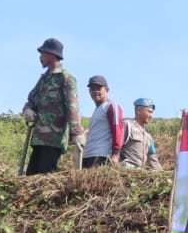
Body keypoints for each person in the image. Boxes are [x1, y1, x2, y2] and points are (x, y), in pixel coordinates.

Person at [22, 38, 82, 175]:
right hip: (38, 138)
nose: (40, 57)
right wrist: (28, 109)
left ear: (52, 55)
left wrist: (76, 133)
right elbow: (32, 99)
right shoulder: (44, 79)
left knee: (45, 176)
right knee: (31, 176)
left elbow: (72, 106)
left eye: (43, 53)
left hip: (54, 138)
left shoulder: (66, 78)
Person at [81, 76, 124, 168]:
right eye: (92, 89)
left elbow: (117, 129)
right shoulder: (97, 110)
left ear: (107, 90)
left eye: (98, 88)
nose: (95, 91)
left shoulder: (111, 106)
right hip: (88, 155)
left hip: (101, 155)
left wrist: (115, 154)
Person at [118, 98, 163, 170]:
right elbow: (117, 146)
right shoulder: (128, 125)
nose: (151, 116)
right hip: (127, 168)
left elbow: (152, 158)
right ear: (138, 110)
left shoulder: (148, 136)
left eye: (152, 113)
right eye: (149, 112)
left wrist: (161, 173)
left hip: (139, 171)